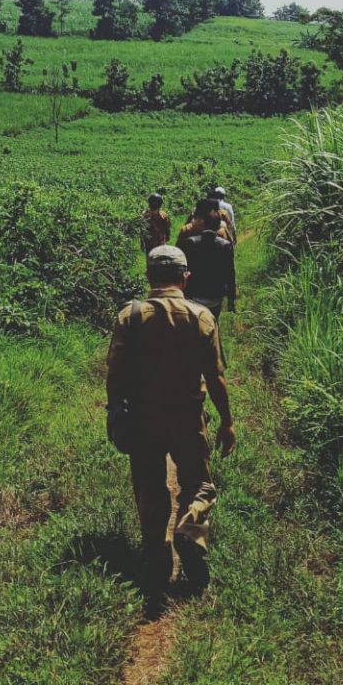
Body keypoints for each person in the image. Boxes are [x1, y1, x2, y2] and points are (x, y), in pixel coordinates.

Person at [106, 244, 236, 595]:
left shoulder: (129, 316)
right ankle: (189, 529)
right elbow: (216, 376)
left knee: (149, 488)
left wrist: (115, 410)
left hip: (143, 418)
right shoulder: (200, 317)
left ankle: (158, 556)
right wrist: (226, 421)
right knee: (198, 484)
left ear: (149, 277)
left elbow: (115, 374)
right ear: (185, 277)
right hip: (188, 417)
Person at [182, 215, 237, 319]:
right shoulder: (225, 245)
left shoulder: (190, 243)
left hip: (194, 296)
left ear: (202, 225)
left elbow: (184, 271)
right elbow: (230, 274)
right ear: (218, 227)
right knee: (213, 324)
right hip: (215, 297)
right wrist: (231, 298)